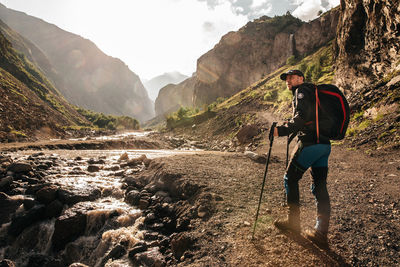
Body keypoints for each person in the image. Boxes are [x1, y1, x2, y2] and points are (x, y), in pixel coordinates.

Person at [272, 69, 331, 247]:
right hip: (324, 145)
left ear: (301, 78)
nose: (288, 81)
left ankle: (293, 223)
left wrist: (280, 131)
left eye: (291, 77)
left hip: (310, 144)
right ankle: (321, 232)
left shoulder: (301, 92)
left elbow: (300, 119)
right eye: (286, 79)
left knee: (290, 178)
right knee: (320, 186)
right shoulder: (315, 93)